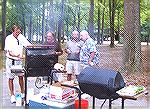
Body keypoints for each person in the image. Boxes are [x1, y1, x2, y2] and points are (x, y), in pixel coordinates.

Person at [4, 24, 32, 103]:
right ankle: (12, 95)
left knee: (21, 77)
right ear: (13, 31)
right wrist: (18, 56)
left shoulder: (21, 37)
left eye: (19, 32)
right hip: (11, 61)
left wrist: (35, 48)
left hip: (18, 62)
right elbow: (9, 52)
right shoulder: (8, 38)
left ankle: (22, 93)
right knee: (11, 78)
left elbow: (28, 45)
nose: (18, 33)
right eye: (16, 32)